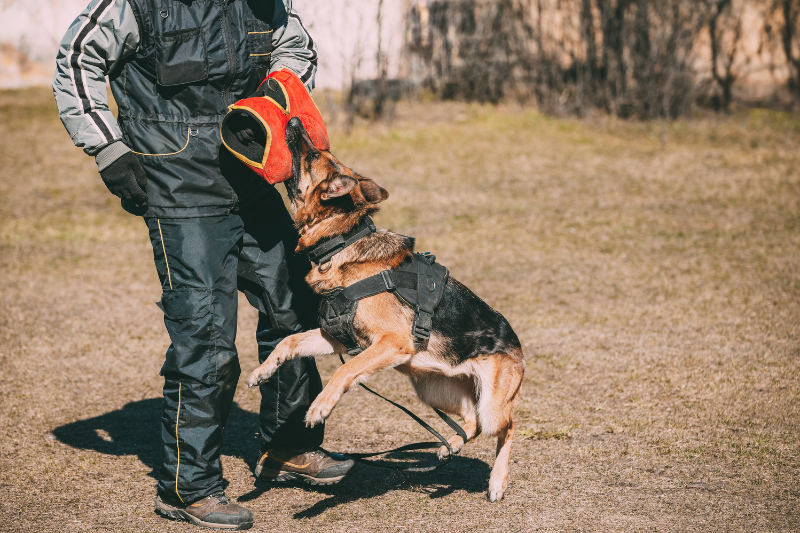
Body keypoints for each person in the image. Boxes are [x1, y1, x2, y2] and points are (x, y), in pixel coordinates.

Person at [53, 1, 355, 529]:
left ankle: (288, 446)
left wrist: (274, 102)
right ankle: (189, 486)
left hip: (255, 177)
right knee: (207, 337)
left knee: (297, 307)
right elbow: (78, 62)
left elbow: (295, 49)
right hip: (179, 189)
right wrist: (108, 149)